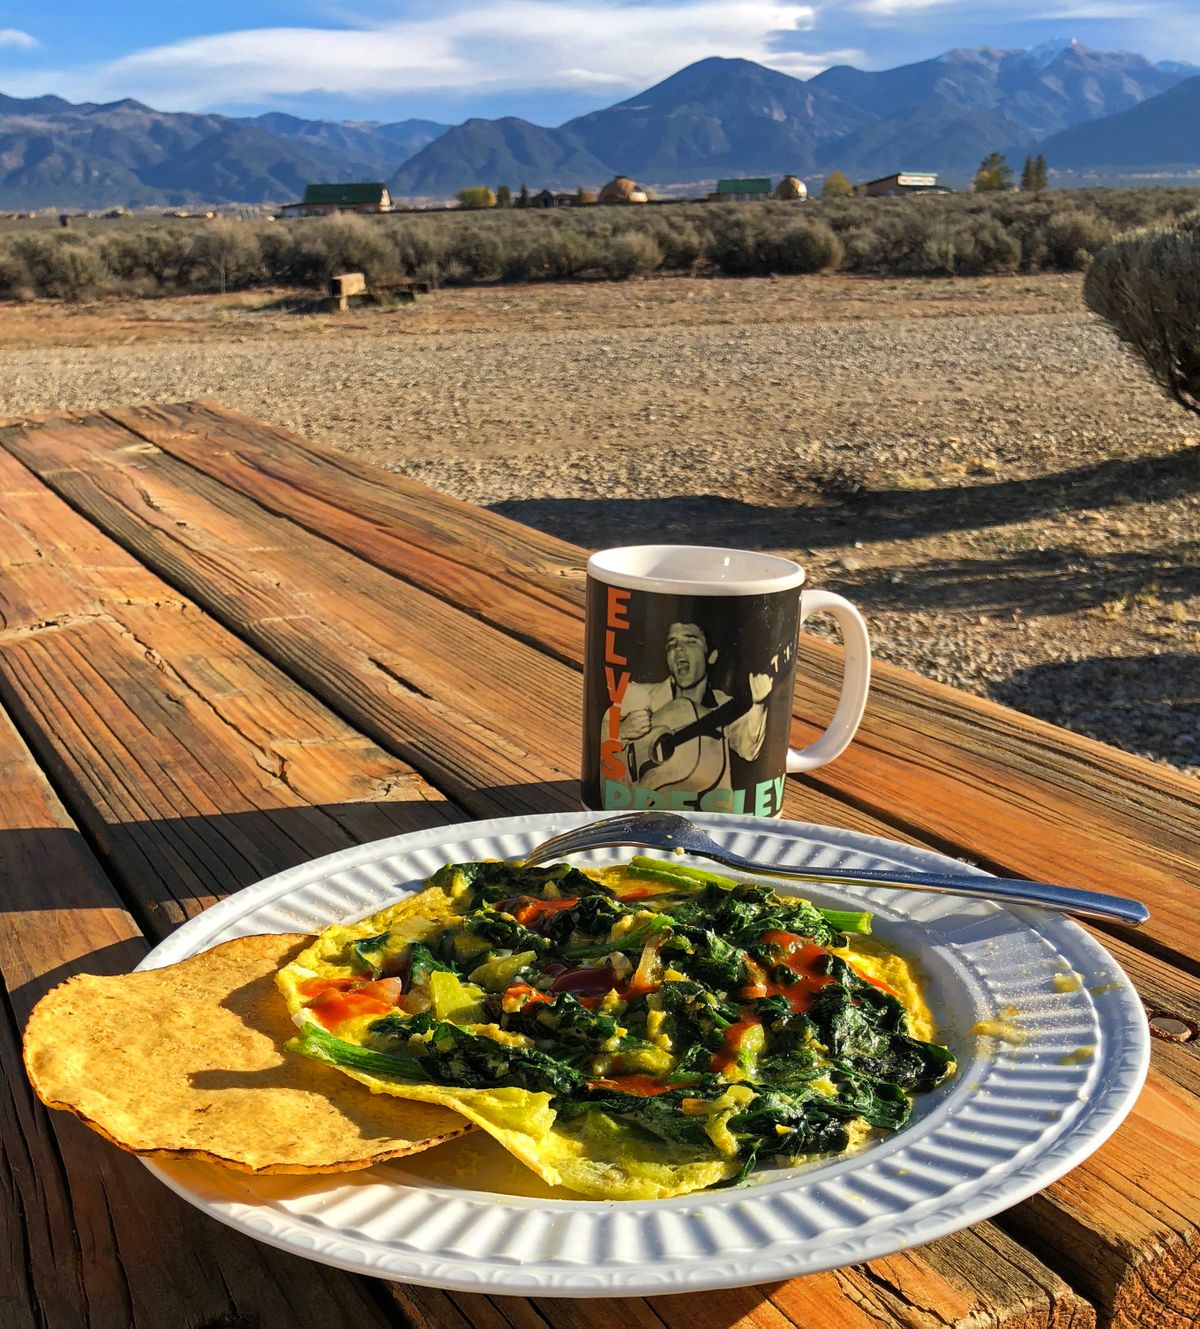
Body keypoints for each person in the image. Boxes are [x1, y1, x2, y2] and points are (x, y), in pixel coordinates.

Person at [605, 621, 771, 806]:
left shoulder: (724, 706)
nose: (679, 650)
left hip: (709, 820)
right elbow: (601, 733)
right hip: (635, 814)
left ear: (711, 656)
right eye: (671, 645)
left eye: (690, 642)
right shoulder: (639, 695)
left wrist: (759, 704)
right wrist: (620, 730)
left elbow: (749, 749)